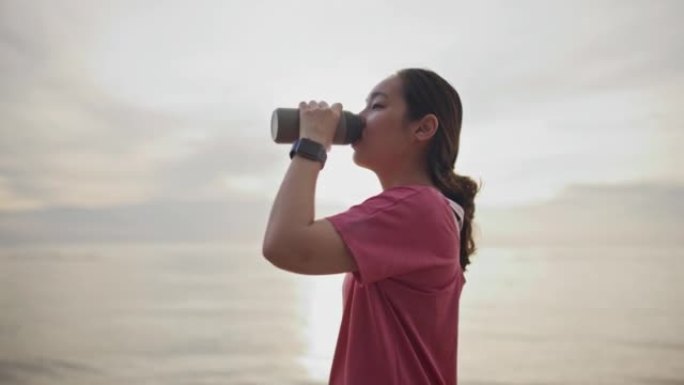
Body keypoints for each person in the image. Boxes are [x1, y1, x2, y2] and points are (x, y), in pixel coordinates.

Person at [262, 68, 479, 385]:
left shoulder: (417, 210)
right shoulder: (419, 211)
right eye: (363, 106)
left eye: (377, 106)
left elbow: (285, 245)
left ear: (423, 128)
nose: (360, 118)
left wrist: (311, 144)